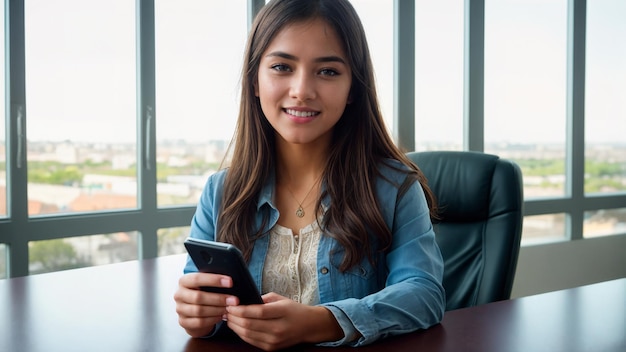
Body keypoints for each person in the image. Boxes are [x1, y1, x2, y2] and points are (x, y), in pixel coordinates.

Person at [173, 0, 445, 349]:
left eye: (328, 71)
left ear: (353, 89)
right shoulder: (221, 191)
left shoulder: (395, 187)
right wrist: (197, 313)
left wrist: (323, 322)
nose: (302, 90)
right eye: (282, 67)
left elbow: (424, 295)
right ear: (255, 81)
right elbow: (197, 295)